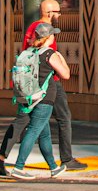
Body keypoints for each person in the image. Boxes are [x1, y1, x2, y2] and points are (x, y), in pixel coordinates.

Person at [0, 0, 85, 177]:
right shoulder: (45, 33)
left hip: (29, 84)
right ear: (49, 13)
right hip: (47, 84)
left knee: (30, 124)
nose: (60, 15)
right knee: (57, 120)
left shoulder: (33, 29)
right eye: (57, 12)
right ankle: (63, 159)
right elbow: (62, 71)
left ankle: (4, 158)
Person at [11, 23, 71, 180]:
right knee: (33, 131)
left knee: (44, 135)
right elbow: (65, 75)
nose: (54, 37)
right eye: (53, 35)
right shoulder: (50, 54)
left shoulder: (29, 52)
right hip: (45, 99)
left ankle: (53, 167)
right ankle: (19, 167)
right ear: (48, 37)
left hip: (29, 97)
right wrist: (62, 59)